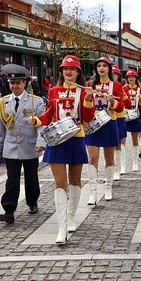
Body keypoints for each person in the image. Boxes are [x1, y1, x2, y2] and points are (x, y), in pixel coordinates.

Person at [31, 55, 94, 243]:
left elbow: (88, 119)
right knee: (60, 182)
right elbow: (49, 113)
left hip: (76, 138)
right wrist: (37, 120)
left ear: (78, 72)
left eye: (72, 69)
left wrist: (89, 100)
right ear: (61, 72)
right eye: (65, 69)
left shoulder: (83, 91)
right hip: (57, 139)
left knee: (75, 180)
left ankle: (72, 216)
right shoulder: (54, 90)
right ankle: (62, 227)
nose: (68, 72)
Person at [0, 65, 46, 224]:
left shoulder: (36, 102)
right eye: (11, 83)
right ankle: (9, 209)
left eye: (18, 83)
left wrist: (41, 143)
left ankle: (32, 201)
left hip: (29, 146)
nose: (14, 86)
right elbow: (0, 129)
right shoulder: (3, 102)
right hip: (11, 147)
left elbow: (41, 125)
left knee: (31, 178)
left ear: (24, 83)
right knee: (12, 179)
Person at [84, 57, 124, 204]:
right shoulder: (89, 85)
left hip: (109, 124)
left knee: (109, 158)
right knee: (93, 158)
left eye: (104, 66)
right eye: (99, 66)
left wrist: (112, 100)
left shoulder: (116, 86)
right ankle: (92, 193)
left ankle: (108, 187)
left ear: (109, 69)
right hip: (93, 125)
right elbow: (85, 105)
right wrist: (88, 98)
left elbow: (121, 107)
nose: (101, 68)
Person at [123, 68, 141, 172]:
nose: (131, 78)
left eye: (133, 77)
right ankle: (122, 165)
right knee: (121, 141)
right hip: (124, 116)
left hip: (135, 115)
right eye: (129, 77)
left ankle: (135, 163)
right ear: (127, 78)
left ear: (136, 78)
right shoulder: (123, 88)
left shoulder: (140, 90)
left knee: (135, 140)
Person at [111, 65, 128, 180]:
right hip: (108, 118)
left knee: (119, 143)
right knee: (109, 145)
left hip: (119, 117)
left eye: (115, 74)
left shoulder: (120, 87)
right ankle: (111, 169)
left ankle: (120, 167)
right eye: (112, 73)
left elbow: (127, 103)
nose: (113, 76)